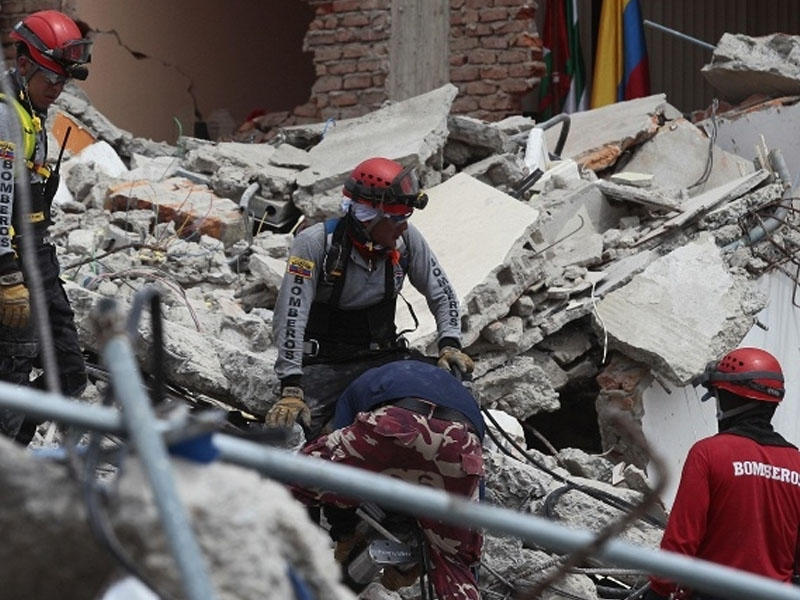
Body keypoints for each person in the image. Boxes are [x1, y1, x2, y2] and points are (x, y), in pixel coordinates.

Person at [268, 156, 473, 439]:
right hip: (325, 366)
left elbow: (442, 292)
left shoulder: (406, 240)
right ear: (368, 218)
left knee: (450, 389)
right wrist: (291, 386)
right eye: (396, 219)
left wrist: (450, 344)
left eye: (406, 218)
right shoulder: (316, 244)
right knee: (294, 433)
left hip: (383, 358)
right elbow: (291, 314)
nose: (403, 227)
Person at [292, 359, 485, 600]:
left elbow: (342, 477)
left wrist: (344, 532)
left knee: (295, 476)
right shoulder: (461, 397)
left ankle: (283, 567)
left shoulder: (361, 386)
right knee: (456, 564)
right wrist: (444, 551)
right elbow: (473, 485)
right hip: (460, 443)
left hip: (397, 423)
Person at [0, 10, 91, 445]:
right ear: (23, 64)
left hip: (40, 258)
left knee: (70, 373)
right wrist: (7, 274)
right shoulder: (6, 117)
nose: (57, 89)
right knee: (15, 371)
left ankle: (14, 446)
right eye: (51, 78)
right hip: (14, 264)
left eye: (63, 81)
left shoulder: (32, 114)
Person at [645, 347, 800, 600]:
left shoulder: (709, 453)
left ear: (730, 399)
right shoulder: (796, 463)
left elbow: (681, 541)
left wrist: (659, 591)